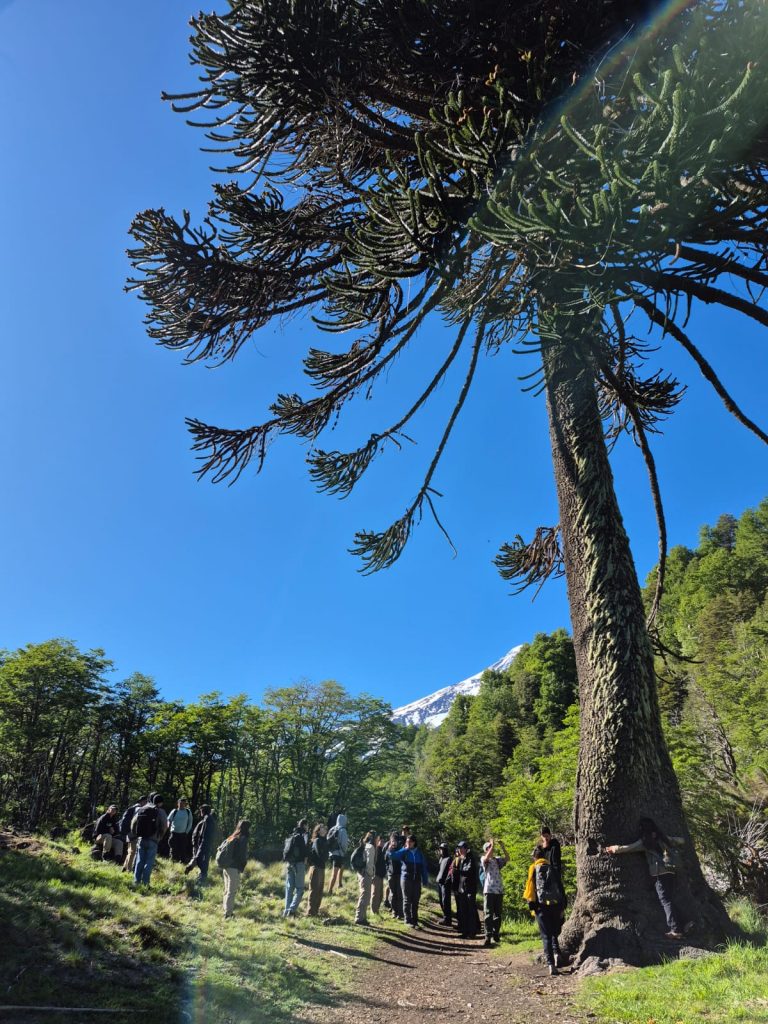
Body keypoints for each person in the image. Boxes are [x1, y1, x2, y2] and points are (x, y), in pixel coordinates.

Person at [604, 817, 693, 940]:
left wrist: (614, 848)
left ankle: (676, 930)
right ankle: (686, 922)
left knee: (666, 901)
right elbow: (681, 840)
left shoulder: (646, 841)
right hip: (671, 871)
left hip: (659, 873)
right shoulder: (663, 838)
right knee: (668, 899)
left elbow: (629, 848)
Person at [524, 847, 567, 976]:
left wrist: (532, 907)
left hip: (541, 907)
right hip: (555, 905)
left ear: (535, 857)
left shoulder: (533, 868)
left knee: (545, 935)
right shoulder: (552, 868)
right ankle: (556, 953)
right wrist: (562, 907)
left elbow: (530, 890)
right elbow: (560, 887)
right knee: (554, 932)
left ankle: (550, 965)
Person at [389, 833, 429, 928]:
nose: (408, 843)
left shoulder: (419, 853)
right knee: (407, 900)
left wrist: (425, 879)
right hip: (406, 879)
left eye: (410, 842)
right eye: (407, 842)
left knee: (415, 901)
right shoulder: (404, 851)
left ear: (414, 843)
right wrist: (391, 849)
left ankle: (415, 921)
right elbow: (393, 856)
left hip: (416, 880)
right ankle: (407, 920)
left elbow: (424, 867)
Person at [132, 794, 168, 888]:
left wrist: (135, 834)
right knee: (149, 862)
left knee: (139, 861)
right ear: (160, 803)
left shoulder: (142, 808)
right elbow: (165, 826)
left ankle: (136, 882)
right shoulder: (160, 811)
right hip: (153, 840)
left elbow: (133, 823)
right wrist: (160, 837)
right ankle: (145, 883)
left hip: (141, 838)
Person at [218, 819, 250, 919]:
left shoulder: (232, 836)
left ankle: (226, 910)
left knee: (226, 890)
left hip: (226, 867)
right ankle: (228, 914)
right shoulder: (243, 838)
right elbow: (242, 855)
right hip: (234, 868)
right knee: (232, 892)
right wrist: (242, 866)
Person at [480, 838, 508, 946]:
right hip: (489, 890)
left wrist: (502, 847)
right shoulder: (484, 859)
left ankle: (496, 934)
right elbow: (487, 855)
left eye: (490, 847)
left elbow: (507, 858)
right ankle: (488, 936)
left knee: (498, 914)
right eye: (487, 848)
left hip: (499, 890)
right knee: (488, 914)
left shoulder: (497, 860)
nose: (490, 849)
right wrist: (492, 844)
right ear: (485, 850)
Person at [283, 818, 309, 918]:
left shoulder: (291, 835)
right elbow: (304, 851)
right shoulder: (302, 836)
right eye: (307, 826)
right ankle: (292, 910)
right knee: (300, 889)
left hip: (289, 864)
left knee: (289, 888)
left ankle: (286, 912)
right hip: (298, 864)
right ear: (304, 825)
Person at [454, 840, 480, 938]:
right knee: (463, 910)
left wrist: (458, 871)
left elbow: (468, 871)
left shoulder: (470, 859)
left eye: (461, 848)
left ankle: (472, 932)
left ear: (466, 849)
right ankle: (465, 931)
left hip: (470, 889)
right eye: (459, 848)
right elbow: (460, 875)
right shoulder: (461, 859)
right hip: (462, 888)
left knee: (471, 911)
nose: (459, 850)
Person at [185, 804, 216, 882]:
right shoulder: (208, 819)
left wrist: (200, 845)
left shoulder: (208, 819)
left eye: (201, 810)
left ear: (204, 811)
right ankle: (201, 876)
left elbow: (205, 835)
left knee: (200, 859)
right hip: (204, 844)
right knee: (201, 859)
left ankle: (201, 877)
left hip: (204, 844)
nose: (200, 812)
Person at [353, 831, 376, 925]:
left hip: (360, 873)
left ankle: (363, 917)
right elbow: (369, 863)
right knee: (365, 896)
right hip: (366, 874)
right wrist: (371, 874)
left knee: (363, 895)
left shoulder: (364, 845)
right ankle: (359, 918)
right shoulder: (370, 847)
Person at [306, 823, 329, 917]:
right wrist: (325, 855)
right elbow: (321, 855)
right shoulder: (317, 841)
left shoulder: (324, 841)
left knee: (319, 891)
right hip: (316, 868)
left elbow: (325, 855)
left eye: (325, 828)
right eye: (323, 828)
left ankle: (315, 911)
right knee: (314, 890)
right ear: (318, 830)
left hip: (322, 868)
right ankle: (310, 912)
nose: (325, 829)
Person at [119, 796, 147, 873]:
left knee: (130, 851)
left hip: (127, 831)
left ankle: (124, 867)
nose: (146, 803)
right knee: (133, 851)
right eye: (145, 801)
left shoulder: (132, 808)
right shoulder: (138, 809)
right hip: (132, 832)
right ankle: (129, 869)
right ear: (142, 801)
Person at [327, 812, 349, 893]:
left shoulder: (332, 829)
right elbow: (344, 844)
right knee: (334, 873)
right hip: (339, 854)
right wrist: (344, 851)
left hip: (332, 853)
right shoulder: (343, 830)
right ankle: (330, 890)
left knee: (341, 867)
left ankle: (339, 884)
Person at [167, 798, 194, 864]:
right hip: (174, 833)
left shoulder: (188, 811)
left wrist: (186, 832)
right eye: (180, 803)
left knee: (183, 849)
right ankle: (173, 863)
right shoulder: (174, 811)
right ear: (178, 804)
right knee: (173, 849)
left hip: (183, 834)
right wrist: (169, 829)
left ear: (185, 804)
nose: (181, 805)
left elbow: (190, 822)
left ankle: (183, 863)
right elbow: (168, 820)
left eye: (183, 803)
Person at [384, 831, 404, 920]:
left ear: (397, 841)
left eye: (395, 841)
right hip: (391, 874)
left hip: (400, 874)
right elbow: (385, 861)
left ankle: (400, 913)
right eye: (392, 841)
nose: (394, 843)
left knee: (399, 893)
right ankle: (394, 911)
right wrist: (388, 870)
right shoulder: (388, 851)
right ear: (390, 841)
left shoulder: (401, 850)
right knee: (392, 894)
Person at [435, 842, 454, 926]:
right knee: (441, 901)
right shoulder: (441, 859)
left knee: (445, 901)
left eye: (442, 849)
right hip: (440, 882)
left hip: (446, 883)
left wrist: (447, 880)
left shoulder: (450, 858)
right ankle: (446, 917)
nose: (441, 851)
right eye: (440, 849)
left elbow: (450, 872)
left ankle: (447, 919)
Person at [371, 834, 387, 915]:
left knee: (380, 895)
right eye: (380, 841)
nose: (382, 842)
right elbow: (373, 864)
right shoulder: (376, 850)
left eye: (383, 841)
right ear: (377, 841)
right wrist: (373, 875)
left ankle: (377, 910)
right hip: (376, 875)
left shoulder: (383, 851)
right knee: (375, 894)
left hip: (381, 876)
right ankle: (374, 911)